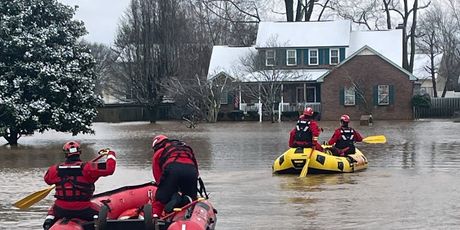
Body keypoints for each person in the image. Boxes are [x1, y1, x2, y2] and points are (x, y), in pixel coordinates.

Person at [42, 141, 117, 230]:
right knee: (103, 213)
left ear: (65, 154)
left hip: (61, 209)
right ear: (79, 152)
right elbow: (110, 169)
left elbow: (47, 180)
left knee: (53, 208)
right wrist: (111, 154)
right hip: (83, 209)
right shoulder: (88, 167)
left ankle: (49, 220)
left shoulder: (54, 169)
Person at [151, 135, 199, 217]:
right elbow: (195, 166)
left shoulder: (159, 152)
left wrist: (163, 189)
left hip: (173, 170)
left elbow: (157, 175)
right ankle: (186, 204)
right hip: (191, 171)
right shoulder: (184, 148)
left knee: (160, 199)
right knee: (192, 198)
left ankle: (155, 216)